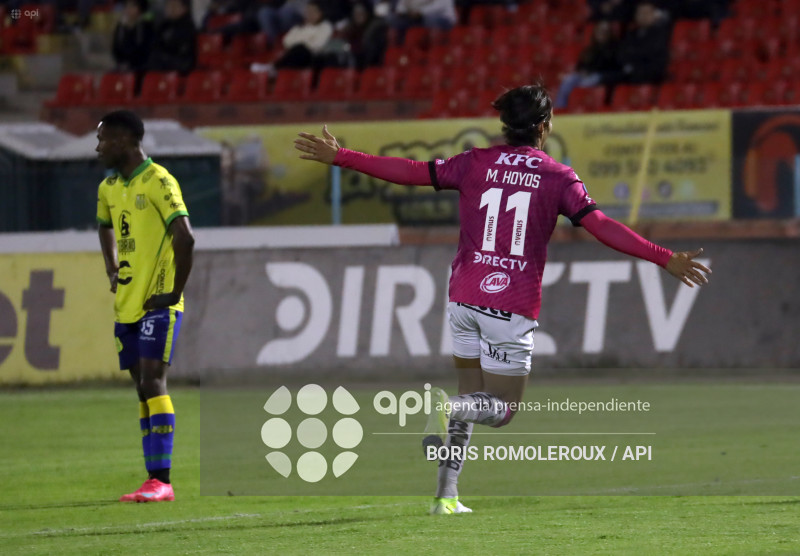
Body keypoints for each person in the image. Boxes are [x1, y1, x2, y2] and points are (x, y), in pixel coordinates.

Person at [293, 85, 711, 514]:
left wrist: (343, 156)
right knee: (502, 409)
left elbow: (411, 171)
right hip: (510, 304)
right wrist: (663, 257)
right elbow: (600, 225)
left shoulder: (474, 162)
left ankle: (446, 496)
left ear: (506, 126)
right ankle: (447, 421)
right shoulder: (558, 176)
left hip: (463, 297)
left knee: (470, 399)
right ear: (545, 127)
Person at [96, 110, 195, 503]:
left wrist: (172, 294)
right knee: (142, 388)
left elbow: (185, 239)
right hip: (128, 304)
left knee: (153, 381)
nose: (98, 146)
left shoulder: (159, 181)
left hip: (158, 301)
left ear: (124, 140)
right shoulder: (108, 187)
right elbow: (104, 224)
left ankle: (161, 480)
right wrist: (111, 264)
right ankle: (154, 480)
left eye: (103, 139)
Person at [555, 20, 619, 109]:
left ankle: (580, 106)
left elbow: (612, 67)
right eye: (600, 31)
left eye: (604, 32)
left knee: (586, 82)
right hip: (585, 74)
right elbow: (581, 65)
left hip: (601, 76)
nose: (602, 34)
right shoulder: (589, 49)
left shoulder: (615, 49)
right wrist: (582, 72)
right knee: (568, 81)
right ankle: (560, 109)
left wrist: (590, 72)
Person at [112, 0, 154, 93]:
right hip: (123, 65)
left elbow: (144, 49)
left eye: (132, 6)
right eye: (126, 6)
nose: (128, 9)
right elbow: (116, 49)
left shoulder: (146, 26)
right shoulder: (121, 27)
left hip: (141, 66)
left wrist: (129, 31)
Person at [147, 0, 197, 75]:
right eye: (168, 5)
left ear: (184, 8)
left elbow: (184, 54)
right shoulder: (164, 26)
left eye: (174, 5)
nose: (170, 9)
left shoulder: (187, 27)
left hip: (180, 65)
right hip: (162, 63)